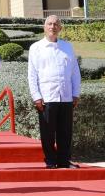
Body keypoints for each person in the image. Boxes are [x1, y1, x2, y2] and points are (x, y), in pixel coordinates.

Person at [28, 15, 81, 169]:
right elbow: (32, 74)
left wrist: (75, 93)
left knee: (65, 131)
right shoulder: (36, 48)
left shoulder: (67, 47)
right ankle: (50, 160)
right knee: (48, 132)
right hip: (46, 96)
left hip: (65, 95)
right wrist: (36, 96)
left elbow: (74, 71)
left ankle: (64, 160)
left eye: (56, 24)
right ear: (44, 27)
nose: (53, 27)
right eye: (49, 24)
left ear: (60, 28)